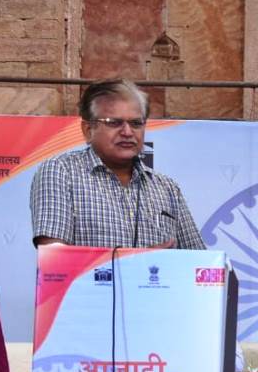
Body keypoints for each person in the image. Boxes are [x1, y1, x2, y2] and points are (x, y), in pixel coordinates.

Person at [30, 78, 205, 249]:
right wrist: (141, 261)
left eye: (136, 123)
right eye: (114, 123)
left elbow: (200, 261)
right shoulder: (61, 172)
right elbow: (54, 258)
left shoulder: (167, 188)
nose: (127, 132)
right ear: (88, 130)